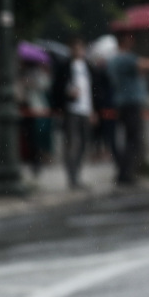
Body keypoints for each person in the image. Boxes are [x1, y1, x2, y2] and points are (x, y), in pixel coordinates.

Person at [107, 32, 149, 186]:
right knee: (133, 140)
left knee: (129, 139)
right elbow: (148, 65)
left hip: (123, 103)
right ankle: (125, 174)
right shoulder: (125, 58)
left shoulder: (115, 60)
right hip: (130, 103)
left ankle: (125, 172)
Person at [57, 37, 96, 189]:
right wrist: (68, 93)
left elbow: (93, 91)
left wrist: (94, 111)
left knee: (84, 144)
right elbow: (58, 87)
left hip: (86, 110)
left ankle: (77, 174)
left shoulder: (88, 67)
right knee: (73, 143)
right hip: (72, 110)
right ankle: (72, 177)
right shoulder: (65, 67)